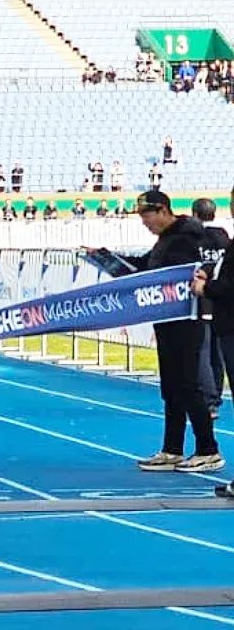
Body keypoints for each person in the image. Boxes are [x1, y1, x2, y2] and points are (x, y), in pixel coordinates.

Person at [115, 191, 222, 473]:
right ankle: (172, 448)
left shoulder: (187, 238)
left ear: (162, 210)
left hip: (186, 320)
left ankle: (208, 449)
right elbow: (144, 268)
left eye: (146, 216)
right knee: (172, 387)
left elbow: (186, 273)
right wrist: (107, 259)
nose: (144, 223)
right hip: (166, 321)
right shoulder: (165, 240)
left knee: (188, 385)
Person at [192, 186, 234, 497]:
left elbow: (228, 286)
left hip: (223, 318)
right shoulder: (225, 240)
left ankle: (209, 401)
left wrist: (206, 288)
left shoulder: (200, 239)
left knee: (205, 359)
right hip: (223, 322)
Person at [191, 197, 231, 419]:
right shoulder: (224, 237)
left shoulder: (194, 238)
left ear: (195, 214)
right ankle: (215, 396)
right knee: (218, 353)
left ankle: (208, 400)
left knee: (203, 351)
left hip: (201, 297)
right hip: (221, 301)